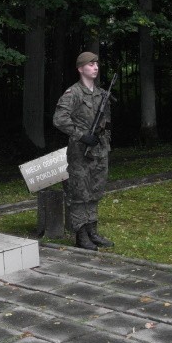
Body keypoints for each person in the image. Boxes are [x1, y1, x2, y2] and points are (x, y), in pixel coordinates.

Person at [53, 51, 114, 251]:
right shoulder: (74, 93)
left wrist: (104, 141)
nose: (95, 67)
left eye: (97, 63)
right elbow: (60, 119)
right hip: (80, 151)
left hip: (99, 150)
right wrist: (80, 135)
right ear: (80, 68)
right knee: (79, 191)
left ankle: (92, 231)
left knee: (95, 189)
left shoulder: (101, 94)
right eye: (90, 64)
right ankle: (80, 234)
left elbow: (107, 122)